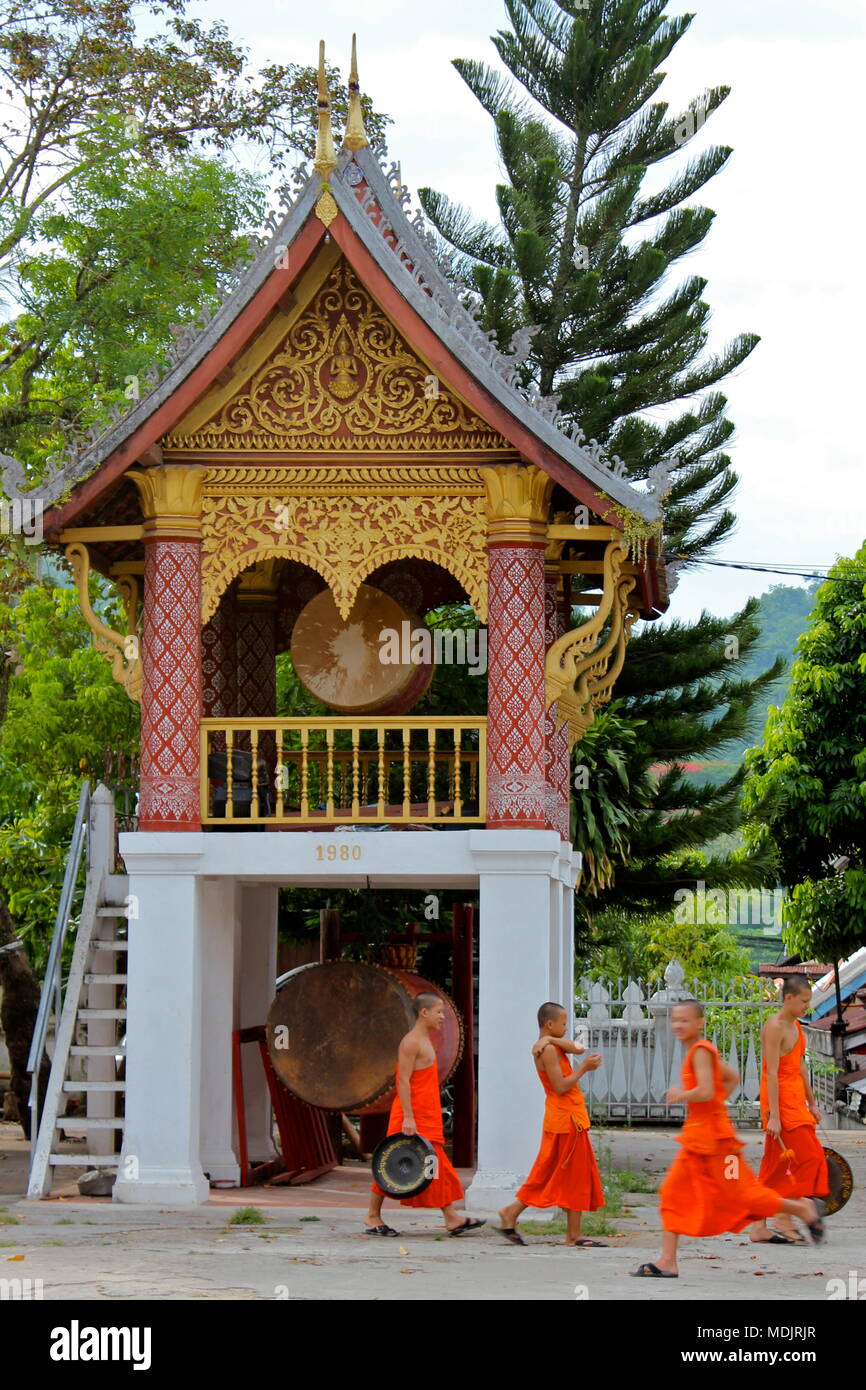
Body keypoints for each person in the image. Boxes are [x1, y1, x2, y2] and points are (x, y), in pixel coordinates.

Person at [633, 999, 824, 1278]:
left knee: (744, 1195)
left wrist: (683, 1095)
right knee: (672, 1192)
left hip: (719, 1146)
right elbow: (731, 1078)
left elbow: (707, 1090)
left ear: (700, 1023)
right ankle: (667, 1260)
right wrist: (712, 1108)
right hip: (699, 1141)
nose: (678, 1025)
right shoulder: (701, 1051)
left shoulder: (700, 1051)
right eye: (675, 1020)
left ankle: (801, 1209)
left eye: (685, 1020)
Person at [365, 991, 485, 1237]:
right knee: (392, 1164)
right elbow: (403, 1082)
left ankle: (451, 1217)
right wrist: (408, 1117)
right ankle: (372, 1215)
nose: (442, 1017)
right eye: (439, 1012)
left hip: (425, 1113)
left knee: (432, 1164)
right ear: (424, 1013)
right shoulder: (411, 1042)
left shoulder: (426, 1040)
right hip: (411, 1115)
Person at [498, 1002, 605, 1248]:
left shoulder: (552, 1046)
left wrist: (553, 1040)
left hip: (565, 1119)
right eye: (564, 1023)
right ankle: (573, 1235)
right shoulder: (546, 1052)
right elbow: (560, 1087)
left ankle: (511, 1213)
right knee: (572, 1176)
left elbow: (579, 1047)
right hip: (567, 1121)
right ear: (550, 1024)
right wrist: (584, 1070)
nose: (566, 1028)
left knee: (549, 1173)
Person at [750, 974, 829, 1244]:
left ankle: (760, 1225)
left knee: (777, 1166)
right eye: (804, 1001)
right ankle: (784, 1213)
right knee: (809, 1157)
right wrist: (773, 1116)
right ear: (789, 998)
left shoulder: (796, 1025)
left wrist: (812, 1102)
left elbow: (800, 1066)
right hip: (779, 1103)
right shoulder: (774, 1027)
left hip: (796, 1100)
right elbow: (771, 1073)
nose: (808, 1006)